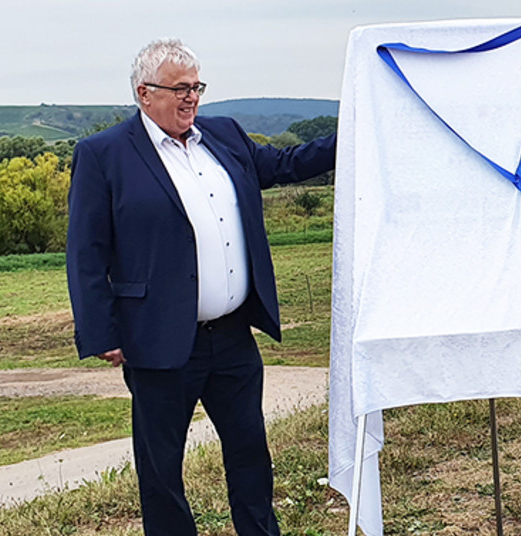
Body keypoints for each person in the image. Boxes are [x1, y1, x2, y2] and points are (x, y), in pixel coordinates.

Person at [66, 39, 337, 536]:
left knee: (250, 453)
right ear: (145, 94)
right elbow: (86, 250)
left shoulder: (224, 135)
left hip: (232, 337)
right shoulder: (104, 155)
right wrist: (100, 331)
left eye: (197, 87)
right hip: (157, 340)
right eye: (180, 89)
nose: (191, 98)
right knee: (162, 470)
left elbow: (284, 164)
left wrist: (354, 129)